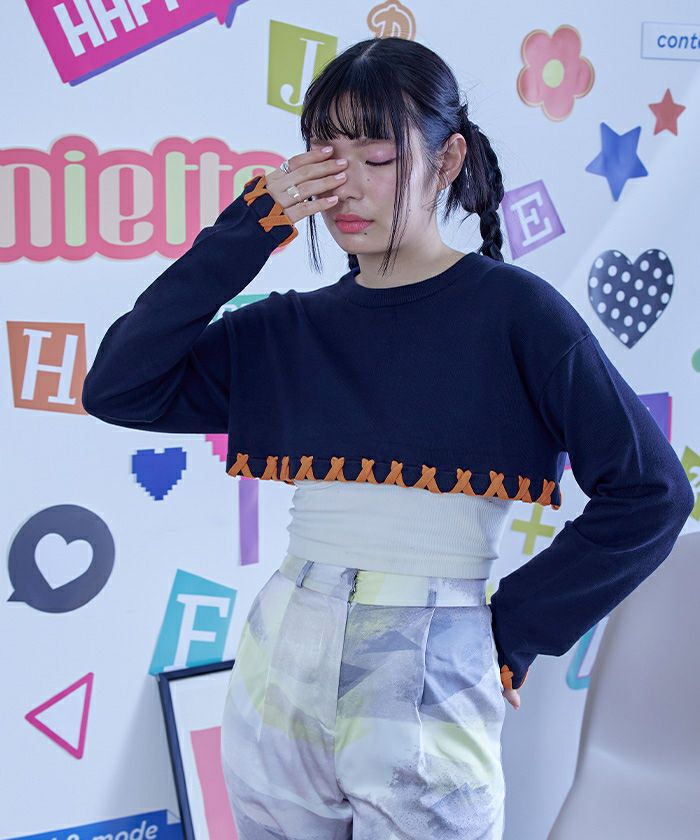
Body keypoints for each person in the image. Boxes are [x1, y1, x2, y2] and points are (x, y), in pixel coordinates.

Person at [82, 37, 694, 840]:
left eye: (376, 157)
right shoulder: (290, 328)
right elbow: (118, 386)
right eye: (325, 159)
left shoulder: (517, 314)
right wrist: (252, 226)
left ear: (448, 161)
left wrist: (511, 630)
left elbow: (652, 493)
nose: (347, 186)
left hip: (433, 655)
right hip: (280, 660)